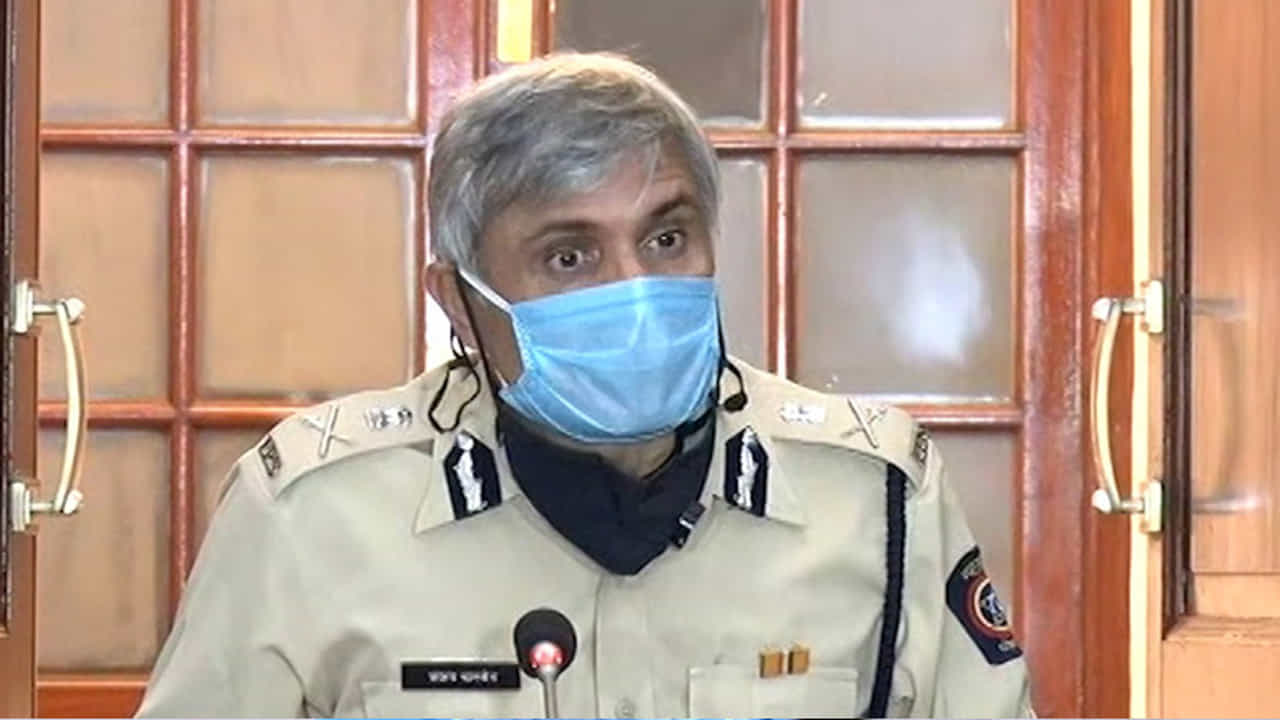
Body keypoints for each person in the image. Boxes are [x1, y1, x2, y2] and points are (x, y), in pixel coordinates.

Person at [137, 53, 1033, 718]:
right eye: (569, 256)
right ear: (460, 301)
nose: (634, 292)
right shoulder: (310, 515)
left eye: (666, 238)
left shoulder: (877, 497)